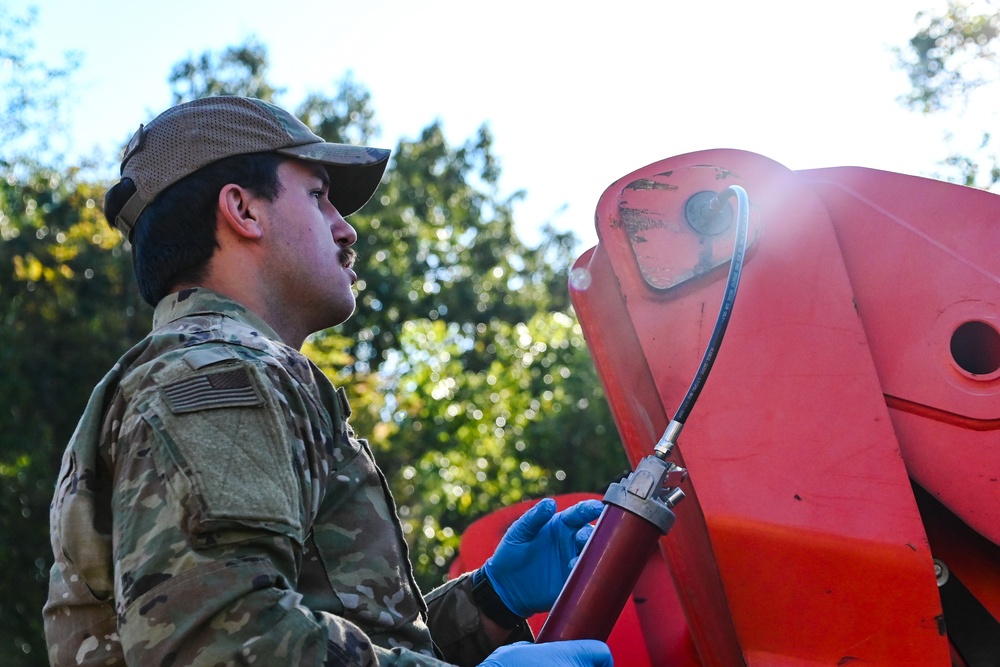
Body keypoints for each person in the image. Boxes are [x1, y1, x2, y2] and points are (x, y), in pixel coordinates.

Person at [43, 96, 614, 667]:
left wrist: (489, 600)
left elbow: (322, 632)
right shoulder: (218, 374)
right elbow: (224, 645)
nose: (346, 230)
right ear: (243, 210)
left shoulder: (218, 370)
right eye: (318, 197)